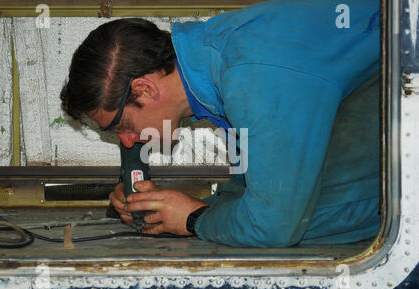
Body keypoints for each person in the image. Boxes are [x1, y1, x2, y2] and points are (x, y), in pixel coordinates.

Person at [60, 0, 381, 248]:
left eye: (121, 125)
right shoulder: (213, 65)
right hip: (378, 96)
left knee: (307, 221)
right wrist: (169, 210)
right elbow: (253, 190)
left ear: (145, 88)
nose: (128, 142)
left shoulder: (251, 75)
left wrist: (192, 219)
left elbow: (272, 227)